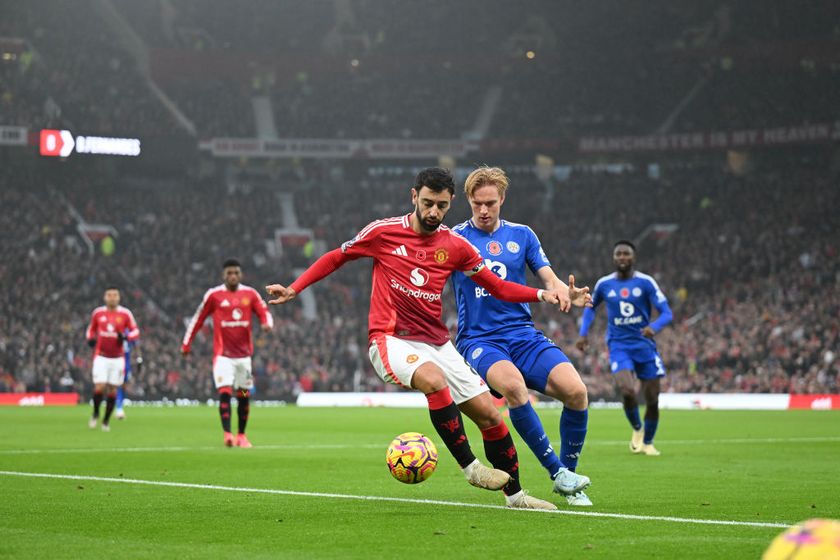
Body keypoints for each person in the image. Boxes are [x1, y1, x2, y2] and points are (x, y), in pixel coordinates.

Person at [266, 167, 590, 510]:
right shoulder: (384, 232)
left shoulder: (455, 245)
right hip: (391, 339)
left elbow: (498, 287)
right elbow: (337, 257)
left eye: (441, 205)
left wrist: (542, 295)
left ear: (450, 205)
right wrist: (294, 288)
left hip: (437, 343)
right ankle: (471, 468)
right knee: (434, 380)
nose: (434, 212)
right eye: (427, 203)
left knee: (491, 417)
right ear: (414, 197)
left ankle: (516, 497)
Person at [451, 166, 594, 507]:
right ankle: (556, 471)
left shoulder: (523, 235)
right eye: (477, 204)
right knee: (514, 388)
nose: (483, 210)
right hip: (479, 339)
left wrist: (564, 293)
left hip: (523, 334)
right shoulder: (455, 238)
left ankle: (568, 480)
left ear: (502, 200)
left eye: (490, 203)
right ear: (469, 201)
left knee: (577, 392)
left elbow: (549, 278)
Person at [576, 241, 673, 456]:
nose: (622, 257)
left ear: (633, 258)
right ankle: (637, 428)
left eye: (626, 254)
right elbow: (590, 308)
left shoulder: (646, 282)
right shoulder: (604, 284)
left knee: (652, 398)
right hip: (619, 345)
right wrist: (583, 333)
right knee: (627, 390)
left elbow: (667, 312)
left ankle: (648, 443)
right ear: (613, 258)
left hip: (644, 345)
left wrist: (653, 327)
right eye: (618, 253)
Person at [182, 259, 274, 448]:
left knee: (242, 394)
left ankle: (241, 435)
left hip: (244, 358)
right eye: (229, 273)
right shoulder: (214, 295)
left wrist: (267, 323)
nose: (232, 276)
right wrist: (186, 343)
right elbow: (198, 319)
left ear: (241, 275)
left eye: (236, 273)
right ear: (223, 275)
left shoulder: (250, 294)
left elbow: (264, 311)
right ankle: (227, 434)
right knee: (225, 392)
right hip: (223, 356)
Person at [85, 287, 140, 431]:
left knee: (113, 390)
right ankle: (96, 413)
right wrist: (90, 338)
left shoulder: (125, 314)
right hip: (101, 356)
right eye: (109, 295)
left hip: (118, 358)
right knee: (100, 386)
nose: (112, 297)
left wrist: (127, 337)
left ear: (119, 297)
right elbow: (90, 329)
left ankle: (106, 421)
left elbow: (135, 331)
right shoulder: (98, 313)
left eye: (115, 295)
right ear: (105, 297)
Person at [114, 329, 142, 420]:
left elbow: (136, 344)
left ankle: (119, 408)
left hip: (125, 364)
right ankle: (118, 408)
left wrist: (139, 359)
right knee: (116, 385)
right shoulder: (114, 330)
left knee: (123, 385)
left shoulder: (128, 332)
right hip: (114, 361)